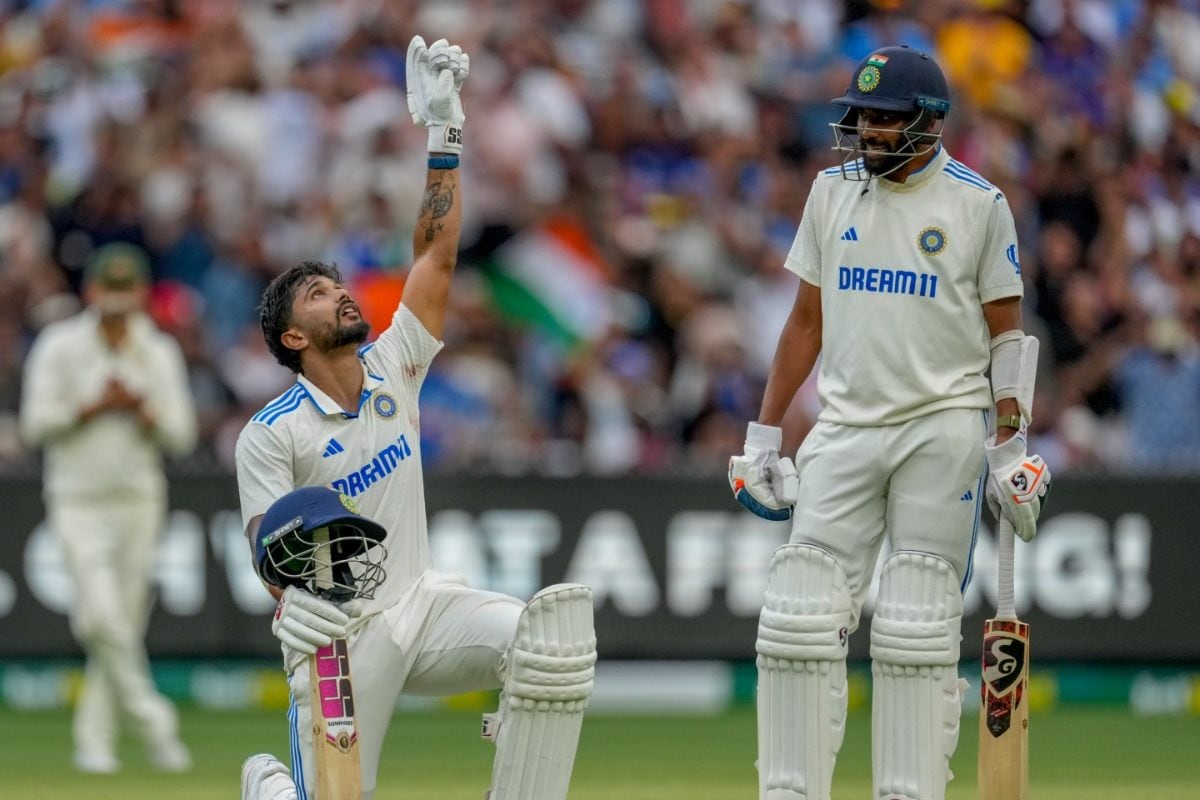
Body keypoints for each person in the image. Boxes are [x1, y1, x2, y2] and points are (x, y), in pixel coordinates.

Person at [235, 36, 596, 800]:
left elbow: (434, 256)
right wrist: (288, 599)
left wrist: (445, 134)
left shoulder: (394, 361)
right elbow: (263, 538)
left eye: (337, 286)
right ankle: (272, 788)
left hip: (425, 604)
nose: (340, 294)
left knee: (548, 643)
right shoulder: (272, 431)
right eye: (317, 296)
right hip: (343, 636)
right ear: (294, 339)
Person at [727, 46, 1051, 800]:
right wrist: (765, 435)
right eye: (863, 116)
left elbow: (1007, 333)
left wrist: (1010, 442)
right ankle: (790, 791)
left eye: (886, 118)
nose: (869, 130)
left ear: (929, 124)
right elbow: (804, 323)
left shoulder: (979, 203)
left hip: (941, 427)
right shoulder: (830, 191)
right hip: (843, 425)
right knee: (799, 614)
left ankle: (907, 792)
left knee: (916, 619)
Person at [19, 242, 198, 774]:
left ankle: (94, 743)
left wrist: (143, 411)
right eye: (109, 290)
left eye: (127, 291)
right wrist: (90, 407)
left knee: (116, 624)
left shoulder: (157, 351)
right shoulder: (59, 346)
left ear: (142, 294)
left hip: (139, 500)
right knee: (100, 616)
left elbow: (181, 436)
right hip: (76, 499)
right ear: (91, 291)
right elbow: (35, 425)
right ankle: (154, 722)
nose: (118, 302)